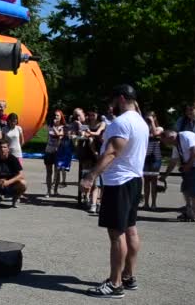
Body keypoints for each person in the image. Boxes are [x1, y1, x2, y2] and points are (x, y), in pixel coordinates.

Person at [81, 85, 148, 299]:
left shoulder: (122, 122)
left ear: (121, 98)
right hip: (134, 179)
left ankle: (115, 284)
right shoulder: (141, 122)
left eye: (113, 101)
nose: (111, 105)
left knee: (116, 234)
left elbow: (112, 153)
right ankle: (128, 276)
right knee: (130, 229)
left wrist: (90, 176)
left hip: (119, 182)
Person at [160, 130, 195, 222]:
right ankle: (189, 211)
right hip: (193, 166)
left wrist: (187, 167)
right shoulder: (176, 145)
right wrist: (165, 175)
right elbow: (173, 161)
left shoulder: (185, 136)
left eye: (165, 141)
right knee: (185, 188)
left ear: (171, 137)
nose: (165, 144)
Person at [0, 140, 27, 208]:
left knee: (23, 183)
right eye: (0, 147)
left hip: (11, 185)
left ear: (8, 149)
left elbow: (21, 175)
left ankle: (15, 198)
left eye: (4, 147)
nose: (2, 149)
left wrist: (8, 182)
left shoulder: (13, 159)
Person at [84, 108, 106, 213]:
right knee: (94, 181)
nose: (92, 116)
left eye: (94, 114)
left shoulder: (102, 123)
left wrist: (88, 133)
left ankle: (100, 203)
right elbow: (83, 133)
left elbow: (97, 133)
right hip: (90, 153)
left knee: (102, 181)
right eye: (90, 114)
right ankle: (92, 203)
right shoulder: (87, 123)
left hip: (101, 151)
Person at [142, 111, 164, 210]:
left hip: (155, 158)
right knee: (146, 181)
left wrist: (152, 123)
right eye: (147, 118)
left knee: (154, 181)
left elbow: (155, 133)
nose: (148, 120)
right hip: (145, 157)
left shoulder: (159, 128)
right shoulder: (143, 128)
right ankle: (146, 203)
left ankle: (154, 203)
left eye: (150, 117)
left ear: (155, 118)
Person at [45, 110, 65, 197]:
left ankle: (55, 190)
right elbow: (47, 138)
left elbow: (59, 135)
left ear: (61, 117)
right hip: (49, 151)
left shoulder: (63, 127)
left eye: (57, 116)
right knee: (49, 172)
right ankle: (48, 191)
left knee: (57, 172)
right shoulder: (49, 126)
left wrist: (54, 127)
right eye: (55, 115)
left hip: (58, 152)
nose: (56, 117)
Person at [54, 124, 74, 195]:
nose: (66, 131)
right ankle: (55, 189)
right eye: (65, 130)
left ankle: (63, 182)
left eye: (67, 130)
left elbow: (74, 148)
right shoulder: (61, 138)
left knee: (63, 169)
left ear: (70, 131)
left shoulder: (71, 139)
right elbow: (57, 147)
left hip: (67, 157)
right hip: (60, 157)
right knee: (58, 171)